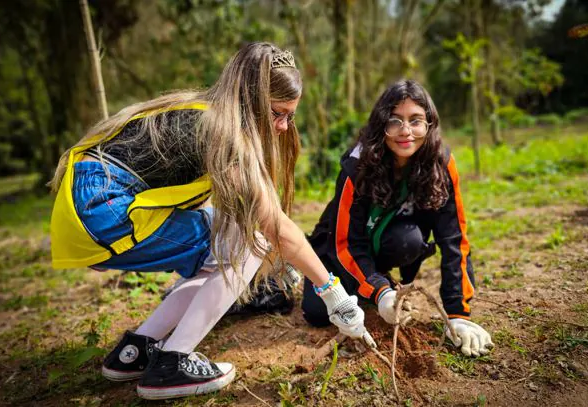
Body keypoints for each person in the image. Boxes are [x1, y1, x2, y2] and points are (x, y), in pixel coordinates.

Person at [48, 42, 374, 400]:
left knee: (224, 247)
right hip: (105, 212)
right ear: (251, 99)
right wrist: (334, 294)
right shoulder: (225, 133)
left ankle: (137, 350)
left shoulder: (202, 111)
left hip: (86, 212)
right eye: (278, 113)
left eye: (291, 117)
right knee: (251, 242)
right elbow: (277, 228)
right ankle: (172, 363)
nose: (283, 126)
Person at [301, 80, 494, 357]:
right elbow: (345, 243)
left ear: (429, 124)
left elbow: (454, 240)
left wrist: (457, 314)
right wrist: (381, 291)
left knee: (409, 241)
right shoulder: (357, 165)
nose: (406, 132)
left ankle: (376, 283)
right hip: (339, 250)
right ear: (381, 125)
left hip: (391, 242)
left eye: (416, 121)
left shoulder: (442, 162)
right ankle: (377, 285)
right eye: (395, 121)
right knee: (317, 313)